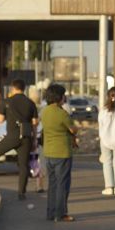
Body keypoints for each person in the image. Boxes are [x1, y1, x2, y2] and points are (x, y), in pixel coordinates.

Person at [0, 79, 38, 200]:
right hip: (26, 136)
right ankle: (21, 193)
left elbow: (0, 120)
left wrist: (0, 111)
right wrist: (33, 140)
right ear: (24, 88)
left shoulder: (7, 102)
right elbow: (35, 123)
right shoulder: (30, 103)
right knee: (23, 165)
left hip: (12, 136)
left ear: (13, 88)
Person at [41, 84, 77, 222]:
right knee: (63, 184)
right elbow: (73, 129)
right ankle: (61, 213)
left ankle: (51, 213)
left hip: (49, 152)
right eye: (63, 94)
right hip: (62, 152)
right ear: (59, 97)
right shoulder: (62, 113)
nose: (65, 97)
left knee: (53, 184)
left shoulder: (45, 111)